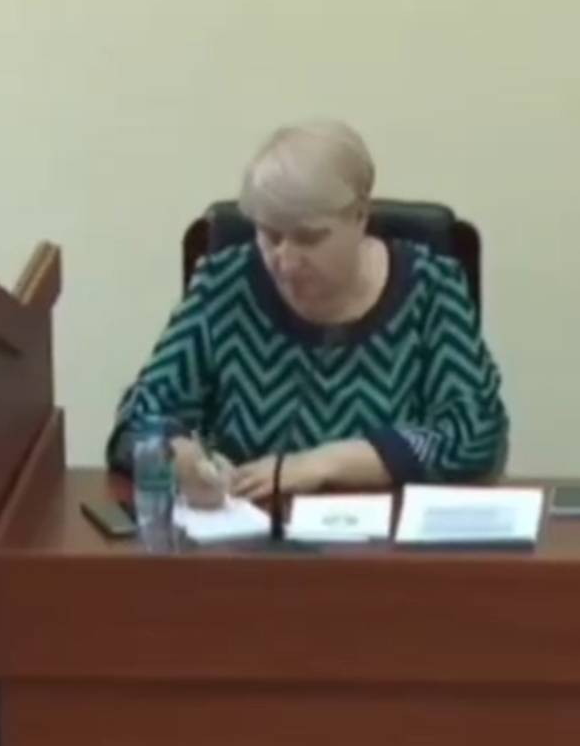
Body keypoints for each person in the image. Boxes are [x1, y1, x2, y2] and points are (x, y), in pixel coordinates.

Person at [107, 121, 509, 503]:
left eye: (308, 238)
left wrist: (324, 464)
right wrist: (179, 457)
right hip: (249, 530)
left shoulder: (430, 287)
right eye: (270, 235)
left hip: (388, 538)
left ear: (360, 216)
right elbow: (138, 420)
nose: (285, 260)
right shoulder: (224, 283)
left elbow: (478, 436)